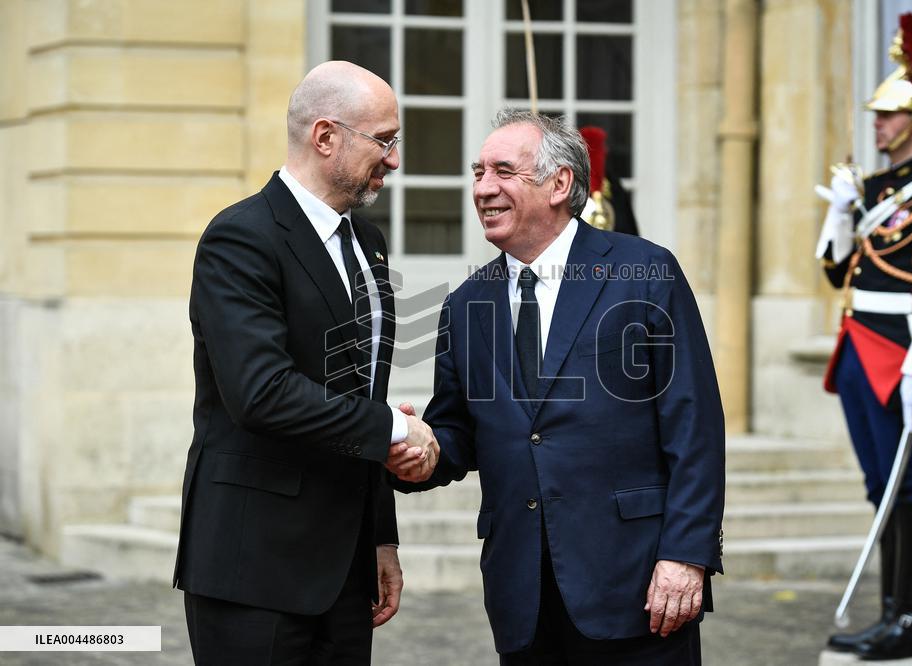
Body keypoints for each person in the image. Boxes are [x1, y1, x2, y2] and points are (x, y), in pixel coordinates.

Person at [394, 109, 725, 664]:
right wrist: (419, 448)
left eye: (502, 171)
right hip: (523, 596)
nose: (483, 189)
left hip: (637, 583)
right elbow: (458, 431)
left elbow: (693, 425)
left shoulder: (644, 272)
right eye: (477, 173)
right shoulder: (465, 306)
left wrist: (686, 555)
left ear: (559, 184)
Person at [174, 61, 438, 664]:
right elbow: (261, 393)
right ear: (326, 137)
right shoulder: (240, 237)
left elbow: (361, 394)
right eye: (384, 140)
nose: (394, 160)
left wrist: (380, 536)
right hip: (254, 567)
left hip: (346, 571)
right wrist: (398, 429)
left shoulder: (367, 242)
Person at [815, 12, 912, 661]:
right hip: (857, 345)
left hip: (901, 354)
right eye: (877, 115)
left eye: (887, 116)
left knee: (907, 486)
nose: (876, 124)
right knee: (881, 489)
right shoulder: (877, 186)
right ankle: (888, 614)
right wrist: (839, 209)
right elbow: (833, 271)